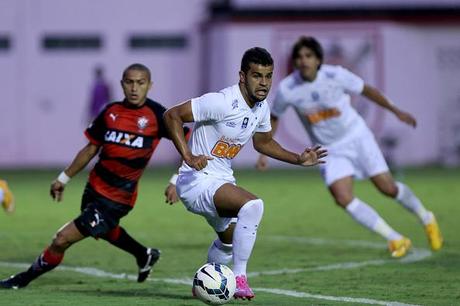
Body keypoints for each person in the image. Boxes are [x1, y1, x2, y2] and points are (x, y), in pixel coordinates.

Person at [256, 36, 443, 258]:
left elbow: (367, 90)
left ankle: (426, 217)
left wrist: (396, 110)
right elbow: (275, 116)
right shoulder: (288, 89)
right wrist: (265, 149)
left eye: (308, 56)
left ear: (318, 60)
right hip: (329, 148)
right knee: (342, 197)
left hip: (357, 137)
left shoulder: (336, 75)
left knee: (388, 188)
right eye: (299, 57)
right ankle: (395, 238)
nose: (303, 61)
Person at [0, 63, 184, 289]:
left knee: (62, 239)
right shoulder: (110, 112)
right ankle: (143, 254)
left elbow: (187, 140)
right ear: (121, 84)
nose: (134, 88)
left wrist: (177, 180)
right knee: (103, 230)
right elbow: (90, 149)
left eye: (140, 82)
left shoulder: (158, 115)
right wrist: (63, 178)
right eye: (129, 82)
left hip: (118, 198)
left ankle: (21, 280)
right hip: (94, 188)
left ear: (150, 85)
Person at [164, 47, 327, 300]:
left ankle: (203, 287)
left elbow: (263, 143)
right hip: (197, 181)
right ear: (242, 76)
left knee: (228, 242)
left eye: (268, 76)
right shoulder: (220, 102)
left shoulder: (260, 108)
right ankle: (240, 279)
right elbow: (172, 115)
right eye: (257, 76)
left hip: (221, 180)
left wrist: (298, 159)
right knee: (252, 206)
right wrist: (187, 156)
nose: (264, 83)